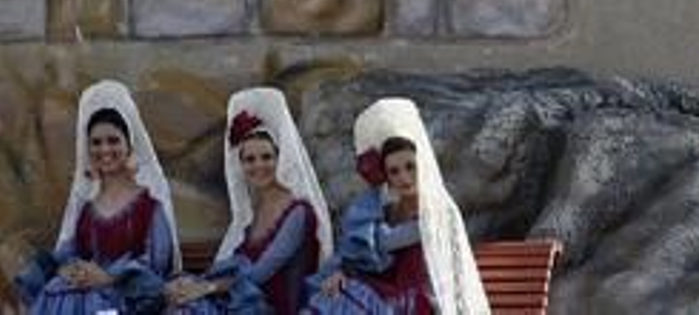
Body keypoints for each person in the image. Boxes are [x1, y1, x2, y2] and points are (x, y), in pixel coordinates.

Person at [307, 98, 488, 315]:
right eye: (394, 171)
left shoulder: (439, 213)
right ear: (386, 177)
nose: (405, 177)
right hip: (389, 293)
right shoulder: (387, 211)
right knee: (332, 296)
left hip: (419, 300)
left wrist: (351, 265)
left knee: (348, 301)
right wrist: (343, 273)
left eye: (410, 167)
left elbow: (384, 243)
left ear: (423, 165)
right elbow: (367, 258)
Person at [14, 80, 179, 315]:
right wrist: (66, 270)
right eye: (96, 142)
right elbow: (69, 254)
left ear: (129, 147)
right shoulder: (87, 210)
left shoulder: (150, 208)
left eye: (113, 141)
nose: (105, 150)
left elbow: (157, 267)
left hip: (127, 303)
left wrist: (110, 277)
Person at [164, 88, 333, 315]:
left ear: (280, 159)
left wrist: (207, 287)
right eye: (249, 159)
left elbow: (261, 272)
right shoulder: (254, 210)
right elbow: (236, 263)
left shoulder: (299, 211)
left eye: (266, 157)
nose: (258, 165)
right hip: (244, 300)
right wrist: (192, 285)